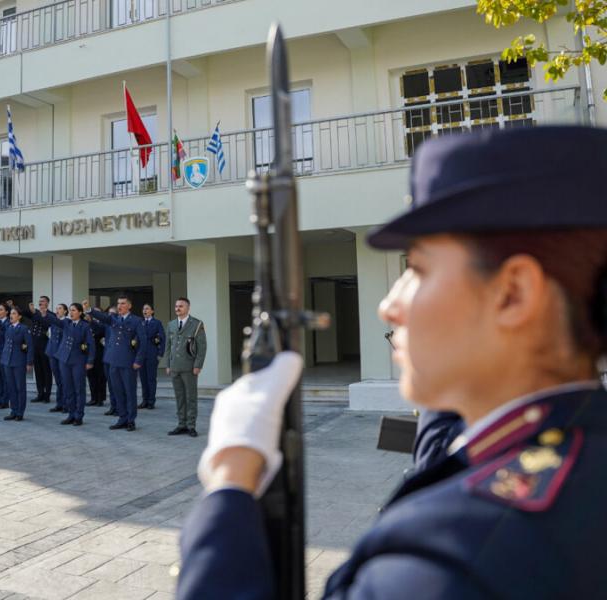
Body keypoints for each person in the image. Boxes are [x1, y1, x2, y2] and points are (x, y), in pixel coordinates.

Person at [177, 126, 607, 599]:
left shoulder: (454, 560)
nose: (389, 305)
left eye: (418, 270)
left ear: (514, 293)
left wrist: (231, 481)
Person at [84, 296, 146, 431]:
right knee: (117, 391)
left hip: (128, 362)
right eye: (118, 303)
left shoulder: (136, 321)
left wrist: (138, 360)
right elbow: (102, 317)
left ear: (129, 306)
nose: (120, 306)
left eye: (123, 303)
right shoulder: (113, 318)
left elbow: (143, 343)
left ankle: (131, 420)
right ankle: (122, 418)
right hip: (113, 361)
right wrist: (89, 310)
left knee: (129, 392)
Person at [43, 303, 95, 426]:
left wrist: (90, 361)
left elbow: (91, 345)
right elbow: (56, 320)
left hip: (78, 360)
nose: (71, 313)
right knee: (68, 388)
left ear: (80, 312)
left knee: (79, 389)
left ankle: (79, 416)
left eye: (74, 310)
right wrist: (44, 312)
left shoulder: (85, 326)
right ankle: (71, 414)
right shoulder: (66, 323)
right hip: (64, 359)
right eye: (70, 310)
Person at [163, 297, 206, 437]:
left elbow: (202, 347)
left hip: (189, 367)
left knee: (191, 397)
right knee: (179, 397)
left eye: (181, 306)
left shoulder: (197, 324)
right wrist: (168, 364)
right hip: (175, 367)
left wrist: (198, 365)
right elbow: (168, 346)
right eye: (176, 306)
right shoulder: (171, 324)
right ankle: (181, 424)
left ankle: (191, 426)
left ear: (188, 308)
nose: (177, 308)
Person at [15, 297, 53, 403]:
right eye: (39, 301)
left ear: (47, 303)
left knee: (46, 371)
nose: (40, 303)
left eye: (43, 301)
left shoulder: (51, 315)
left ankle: (47, 395)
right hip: (35, 345)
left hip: (44, 345)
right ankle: (40, 393)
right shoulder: (34, 313)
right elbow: (23, 313)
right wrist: (12, 306)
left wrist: (35, 313)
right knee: (38, 371)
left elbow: (46, 323)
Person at [0, 306, 33, 421]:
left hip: (19, 361)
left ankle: (20, 412)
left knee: (20, 387)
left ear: (19, 316)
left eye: (14, 313)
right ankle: (13, 410)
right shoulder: (8, 328)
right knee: (11, 387)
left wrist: (29, 362)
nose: (11, 315)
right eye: (11, 313)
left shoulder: (24, 328)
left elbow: (29, 346)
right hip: (7, 361)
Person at [34, 303, 67, 413]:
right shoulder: (53, 322)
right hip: (52, 353)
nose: (57, 310)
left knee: (64, 380)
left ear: (65, 311)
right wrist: (43, 315)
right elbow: (44, 322)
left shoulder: (66, 322)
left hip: (61, 354)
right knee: (58, 380)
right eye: (56, 308)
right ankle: (59, 403)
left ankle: (66, 404)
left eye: (60, 308)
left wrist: (46, 314)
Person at [138, 303, 166, 409]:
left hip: (151, 353)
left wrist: (160, 354)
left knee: (151, 378)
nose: (145, 311)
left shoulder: (157, 323)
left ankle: (151, 401)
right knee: (143, 378)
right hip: (141, 354)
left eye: (147, 309)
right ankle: (144, 400)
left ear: (152, 311)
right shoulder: (140, 323)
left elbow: (162, 338)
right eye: (143, 309)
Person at [84, 313, 107, 407]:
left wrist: (92, 321)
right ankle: (93, 398)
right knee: (91, 376)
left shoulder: (101, 324)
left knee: (100, 377)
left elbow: (100, 330)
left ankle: (100, 398)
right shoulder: (85, 325)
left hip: (98, 354)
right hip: (88, 354)